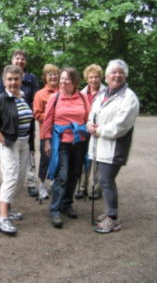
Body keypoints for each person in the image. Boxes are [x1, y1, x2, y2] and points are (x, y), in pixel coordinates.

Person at [87, 59, 139, 233]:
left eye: (120, 72)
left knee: (106, 181)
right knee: (103, 180)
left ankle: (113, 219)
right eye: (113, 72)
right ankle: (109, 213)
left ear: (125, 76)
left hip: (115, 147)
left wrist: (99, 130)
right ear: (107, 76)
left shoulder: (129, 97)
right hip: (100, 145)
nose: (117, 75)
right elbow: (92, 114)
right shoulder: (102, 94)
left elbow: (121, 125)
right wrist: (89, 125)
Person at [0, 65, 34, 234]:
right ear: (4, 80)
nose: (13, 82)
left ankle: (6, 208)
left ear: (21, 80)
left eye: (16, 79)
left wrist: (32, 145)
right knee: (11, 178)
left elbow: (30, 122)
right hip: (9, 144)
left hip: (24, 144)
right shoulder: (0, 100)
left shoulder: (24, 97)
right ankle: (3, 219)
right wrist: (4, 141)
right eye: (9, 79)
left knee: (20, 179)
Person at [42, 67, 90, 229]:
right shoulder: (54, 98)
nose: (62, 82)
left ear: (75, 82)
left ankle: (67, 203)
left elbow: (88, 118)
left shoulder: (83, 98)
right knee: (62, 175)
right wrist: (46, 141)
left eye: (66, 79)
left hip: (79, 141)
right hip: (61, 142)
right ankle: (55, 209)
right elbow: (47, 120)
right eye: (61, 79)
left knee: (74, 174)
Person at [0, 49, 39, 197]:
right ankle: (4, 210)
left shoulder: (31, 79)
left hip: (26, 122)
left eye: (22, 59)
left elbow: (35, 99)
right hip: (9, 128)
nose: (19, 61)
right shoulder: (5, 78)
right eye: (17, 58)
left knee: (28, 155)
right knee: (11, 173)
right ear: (12, 59)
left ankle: (31, 181)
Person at [75, 64, 107, 200]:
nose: (94, 80)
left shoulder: (107, 92)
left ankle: (97, 187)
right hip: (84, 130)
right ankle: (82, 187)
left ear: (101, 78)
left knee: (99, 159)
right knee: (84, 160)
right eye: (91, 77)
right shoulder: (81, 93)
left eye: (96, 77)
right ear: (87, 78)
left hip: (100, 130)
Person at [33, 64, 60, 200]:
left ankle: (54, 182)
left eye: (55, 74)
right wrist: (53, 117)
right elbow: (37, 114)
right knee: (45, 159)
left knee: (59, 159)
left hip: (62, 133)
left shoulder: (64, 92)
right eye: (50, 74)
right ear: (45, 77)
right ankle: (42, 185)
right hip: (47, 133)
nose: (53, 76)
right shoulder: (40, 94)